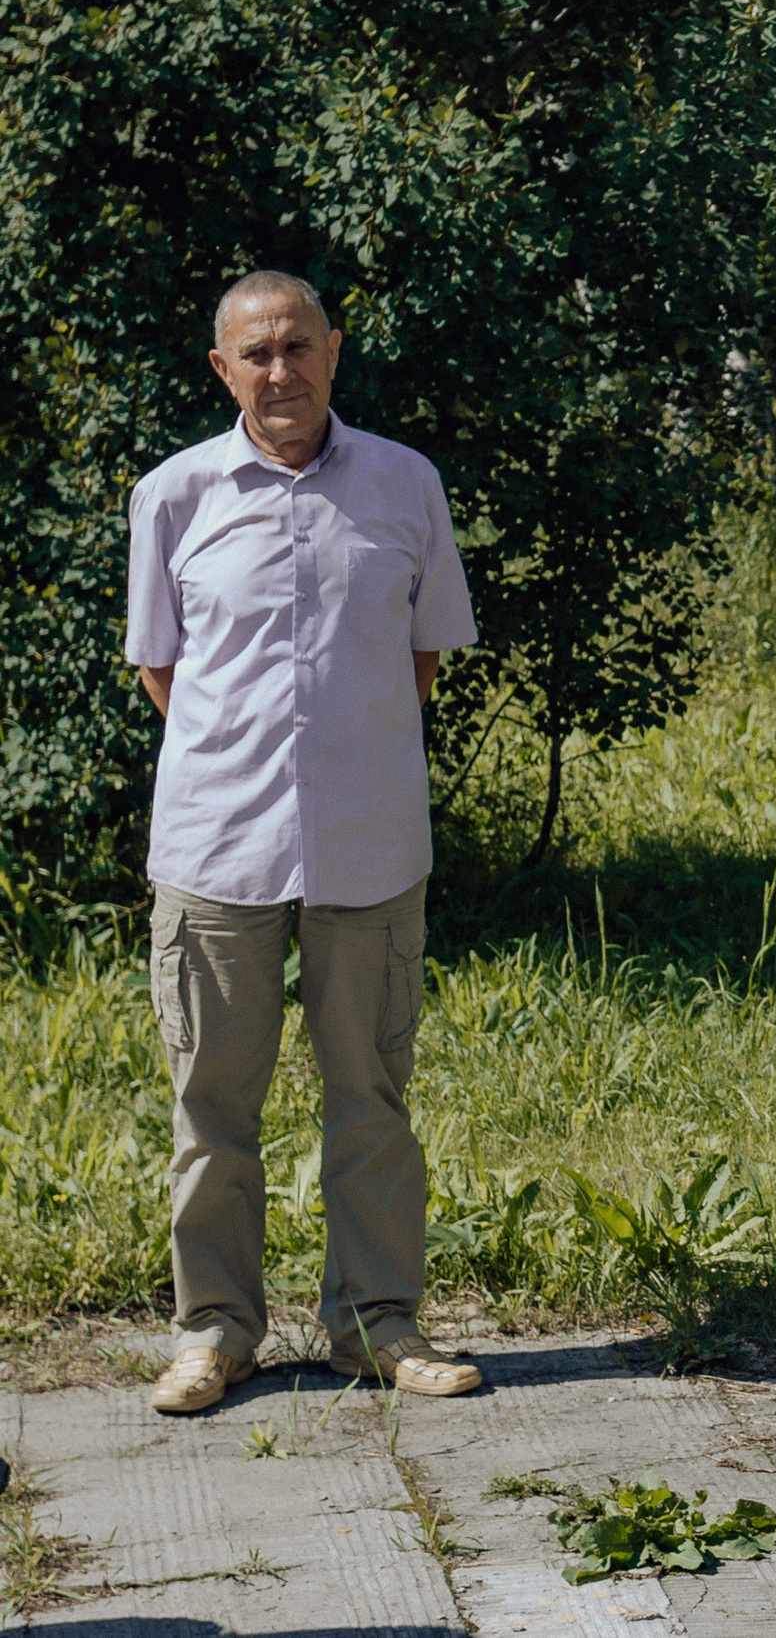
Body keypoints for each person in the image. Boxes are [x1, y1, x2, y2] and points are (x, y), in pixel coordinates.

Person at [127, 270, 484, 1414]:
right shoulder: (173, 495)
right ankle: (215, 1334)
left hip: (370, 847)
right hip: (213, 851)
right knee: (212, 1111)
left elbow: (422, 656)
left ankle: (376, 1326)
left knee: (370, 1101)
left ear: (333, 351)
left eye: (298, 347)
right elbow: (159, 666)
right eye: (255, 354)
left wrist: (339, 756)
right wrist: (246, 760)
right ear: (221, 370)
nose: (279, 372)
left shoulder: (403, 482)